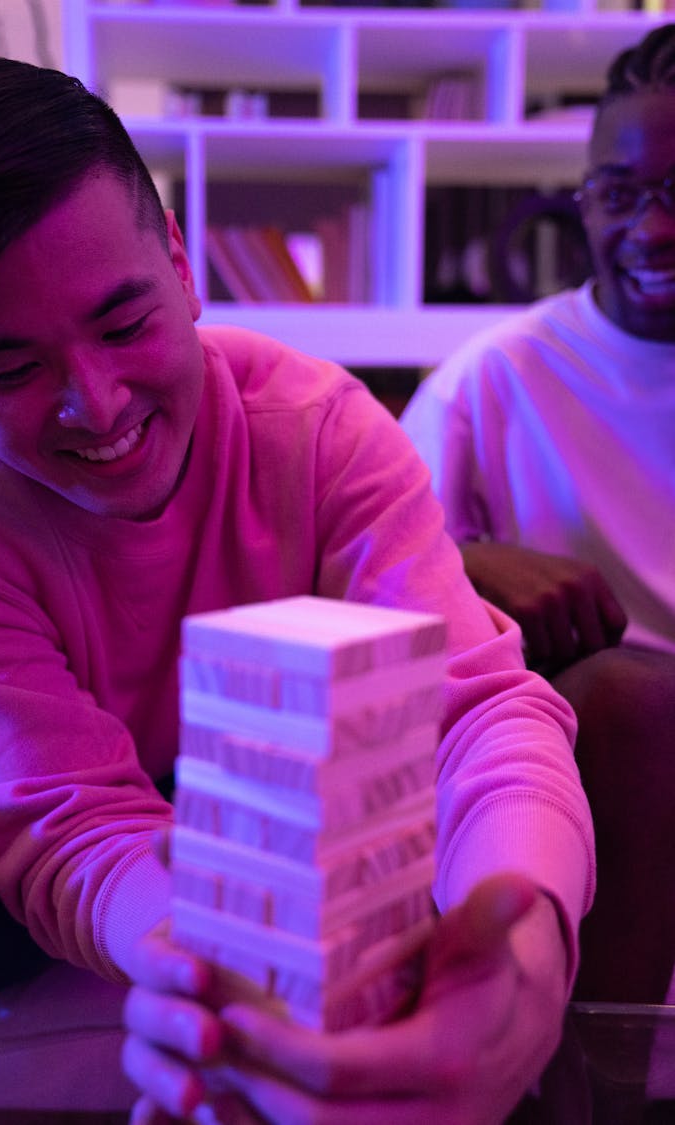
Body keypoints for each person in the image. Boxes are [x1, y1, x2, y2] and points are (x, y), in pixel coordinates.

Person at [0, 57, 594, 1124]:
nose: (96, 407)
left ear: (184, 269)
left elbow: (472, 708)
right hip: (18, 870)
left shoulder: (313, 427)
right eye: (8, 370)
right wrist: (224, 978)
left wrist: (520, 944)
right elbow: (68, 823)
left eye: (126, 323)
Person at [401, 22, 675, 1008]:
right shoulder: (495, 379)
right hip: (597, 739)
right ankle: (595, 1084)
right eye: (619, 195)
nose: (649, 231)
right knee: (640, 706)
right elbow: (368, 579)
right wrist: (467, 558)